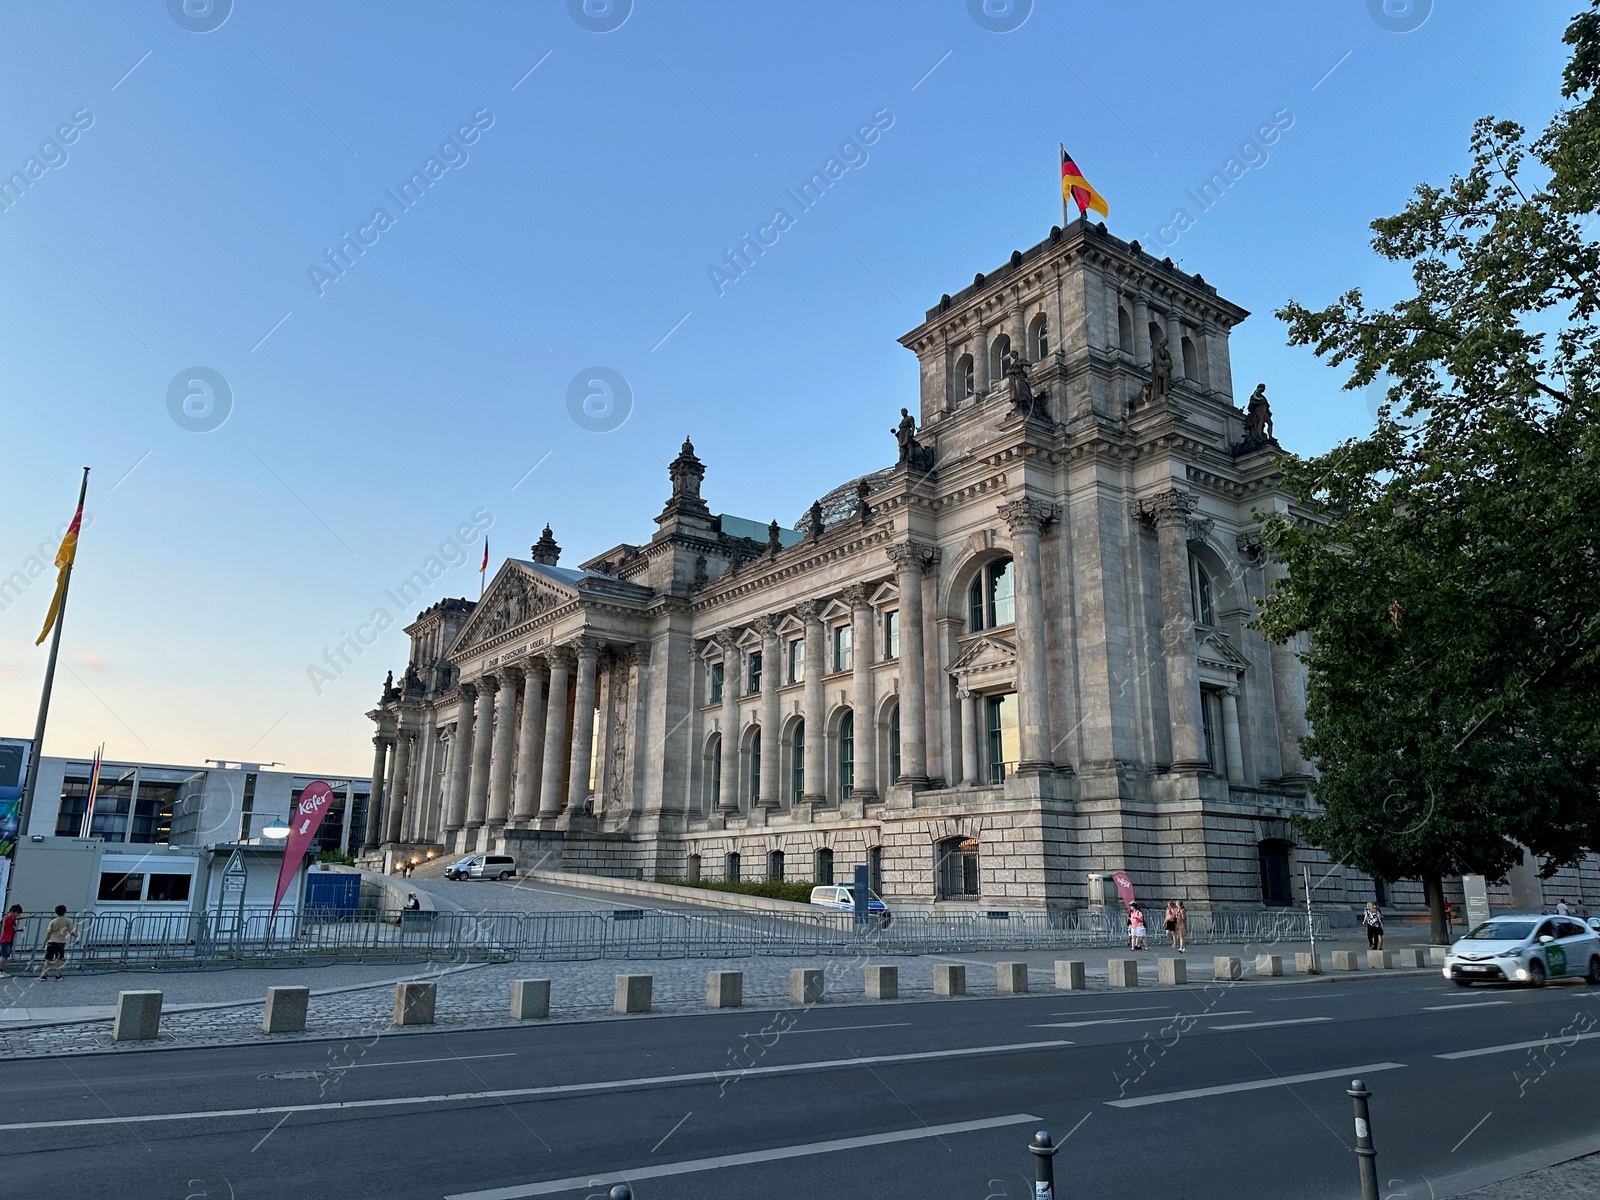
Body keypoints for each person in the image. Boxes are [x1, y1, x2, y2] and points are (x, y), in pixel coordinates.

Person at [40, 904, 78, 980]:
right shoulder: (68, 921)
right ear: (65, 911)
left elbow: (49, 932)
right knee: (58, 959)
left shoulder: (53, 921)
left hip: (51, 941)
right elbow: (70, 932)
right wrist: (76, 935)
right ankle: (58, 975)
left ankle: (43, 975)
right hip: (60, 942)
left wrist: (44, 942)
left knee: (48, 959)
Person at [0, 904, 21, 974]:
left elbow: (12, 928)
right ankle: (0, 971)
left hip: (9, 939)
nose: (17, 915)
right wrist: (30, 916)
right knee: (4, 956)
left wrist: (19, 930)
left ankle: (1, 970)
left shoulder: (10, 919)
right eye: (17, 913)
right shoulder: (9, 917)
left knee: (5, 956)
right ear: (13, 911)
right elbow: (17, 918)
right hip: (6, 939)